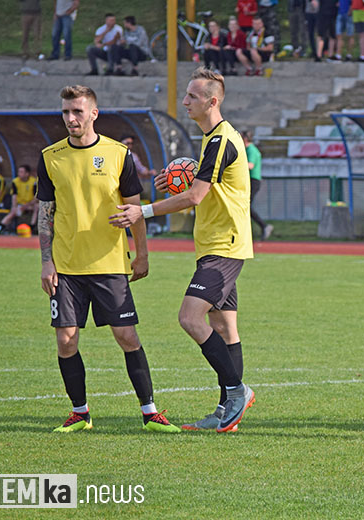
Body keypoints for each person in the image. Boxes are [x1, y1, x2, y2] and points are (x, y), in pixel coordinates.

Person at [110, 68, 254, 434]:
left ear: (212, 101)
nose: (185, 101)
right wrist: (174, 181)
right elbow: (202, 187)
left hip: (225, 246)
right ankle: (226, 411)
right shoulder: (213, 139)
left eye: (192, 96)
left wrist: (142, 211)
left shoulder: (221, 140)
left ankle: (237, 391)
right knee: (224, 327)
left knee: (190, 318)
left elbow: (195, 197)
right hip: (216, 245)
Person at [36, 85, 179, 433]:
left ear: (94, 114)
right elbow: (45, 213)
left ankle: (150, 413)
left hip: (110, 264)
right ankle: (80, 413)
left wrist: (142, 254)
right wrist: (46, 261)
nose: (71, 118)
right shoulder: (50, 157)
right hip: (66, 266)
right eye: (66, 111)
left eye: (78, 111)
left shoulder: (118, 154)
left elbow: (135, 211)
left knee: (127, 336)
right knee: (66, 340)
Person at [243, 128, 273, 240]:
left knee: (245, 206)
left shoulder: (251, 150)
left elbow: (250, 165)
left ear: (245, 139)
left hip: (253, 180)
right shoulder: (248, 149)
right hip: (250, 180)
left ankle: (263, 226)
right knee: (244, 206)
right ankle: (261, 227)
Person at [0, 164, 38, 235]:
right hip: (20, 205)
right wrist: (14, 207)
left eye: (21, 172)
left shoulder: (33, 182)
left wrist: (26, 206)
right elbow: (14, 196)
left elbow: (36, 197)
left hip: (30, 204)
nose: (19, 174)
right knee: (12, 213)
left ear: (27, 174)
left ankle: (31, 228)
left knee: (37, 207)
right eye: (19, 172)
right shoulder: (15, 181)